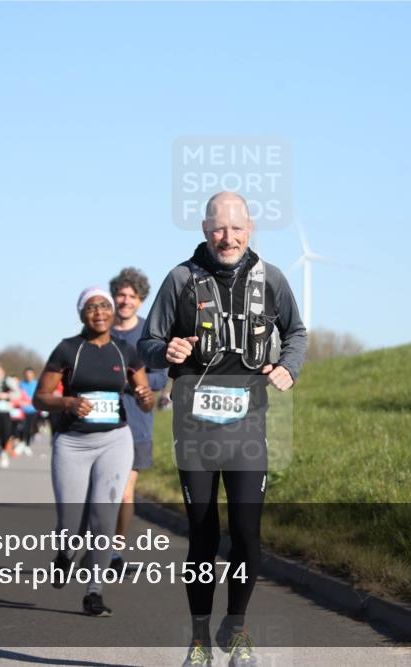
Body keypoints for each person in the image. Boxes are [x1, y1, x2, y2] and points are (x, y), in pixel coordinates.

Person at [138, 192, 306, 667]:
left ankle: (236, 626)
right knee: (204, 535)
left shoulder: (271, 279)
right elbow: (149, 343)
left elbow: (296, 332)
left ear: (249, 228)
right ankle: (198, 640)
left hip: (248, 427)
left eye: (236, 228)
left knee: (248, 535)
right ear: (204, 229)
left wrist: (289, 367)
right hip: (194, 429)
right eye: (218, 228)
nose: (227, 238)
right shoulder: (180, 280)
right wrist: (164, 352)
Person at [34, 288, 154, 617]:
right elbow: (39, 398)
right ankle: (64, 554)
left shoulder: (125, 350)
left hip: (115, 440)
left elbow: (146, 396)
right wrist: (67, 402)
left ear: (113, 311)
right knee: (71, 522)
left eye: (104, 305)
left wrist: (145, 397)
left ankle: (94, 592)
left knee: (104, 517)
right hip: (73, 442)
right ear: (81, 314)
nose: (99, 312)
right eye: (91, 307)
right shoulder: (68, 349)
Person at [108, 267, 169, 570]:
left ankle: (114, 551)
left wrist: (136, 383)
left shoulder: (149, 334)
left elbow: (160, 377)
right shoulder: (99, 330)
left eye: (132, 296)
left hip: (137, 425)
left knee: (123, 490)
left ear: (141, 300)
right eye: (121, 294)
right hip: (99, 425)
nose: (126, 300)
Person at [18, 367, 40, 452]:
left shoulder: (37, 384)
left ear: (33, 375)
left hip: (33, 410)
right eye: (27, 374)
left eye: (30, 374)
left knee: (30, 428)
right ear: (24, 375)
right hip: (22, 411)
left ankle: (27, 444)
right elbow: (18, 395)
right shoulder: (21, 384)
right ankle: (22, 441)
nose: (28, 376)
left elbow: (39, 396)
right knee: (22, 428)